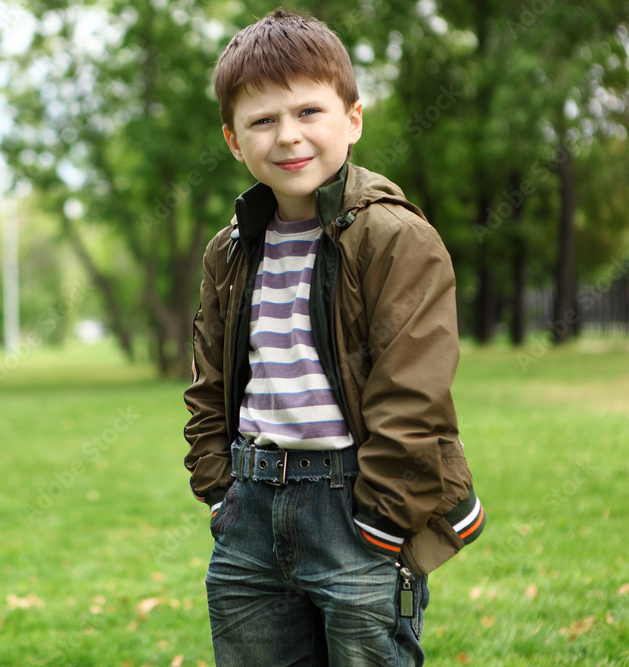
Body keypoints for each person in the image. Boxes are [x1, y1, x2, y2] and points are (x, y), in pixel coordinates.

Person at [183, 9, 485, 665]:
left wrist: (381, 519)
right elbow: (210, 382)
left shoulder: (395, 237)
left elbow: (413, 392)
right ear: (233, 140)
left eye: (308, 112)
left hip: (356, 505)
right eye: (263, 121)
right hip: (250, 511)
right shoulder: (229, 250)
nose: (288, 136)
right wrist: (220, 491)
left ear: (353, 119)